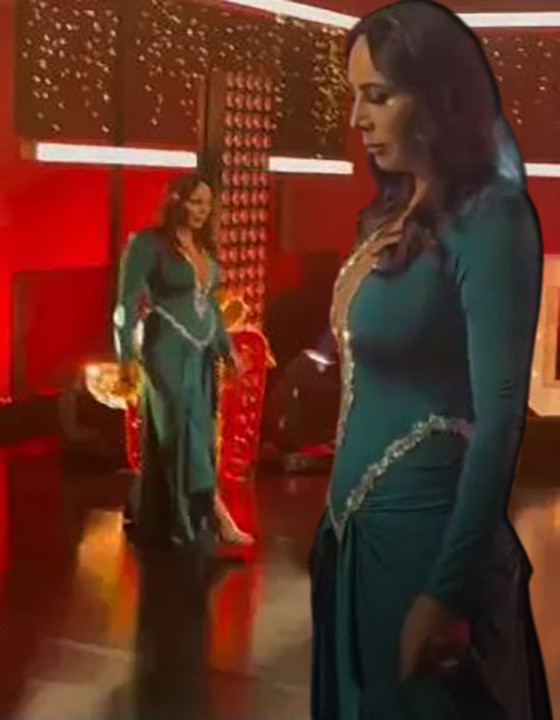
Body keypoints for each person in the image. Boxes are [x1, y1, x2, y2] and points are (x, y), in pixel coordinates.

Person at [311, 2, 550, 718]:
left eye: (379, 96)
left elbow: (501, 418)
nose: (358, 118)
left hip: (423, 543)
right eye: (355, 96)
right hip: (350, 538)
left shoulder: (492, 218)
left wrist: (445, 591)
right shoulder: (394, 212)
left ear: (439, 97)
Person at [113, 172, 254, 550]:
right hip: (166, 349)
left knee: (202, 435)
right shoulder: (147, 244)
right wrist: (125, 358)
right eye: (194, 202)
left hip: (202, 353)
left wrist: (227, 349)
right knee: (180, 434)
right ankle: (216, 513)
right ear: (176, 202)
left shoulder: (205, 249)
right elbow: (126, 303)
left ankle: (173, 515)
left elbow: (211, 307)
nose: (202, 211)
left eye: (207, 204)